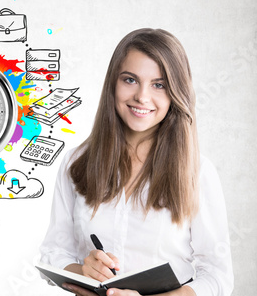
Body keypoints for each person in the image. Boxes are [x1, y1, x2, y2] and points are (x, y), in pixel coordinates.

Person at [39, 28, 234, 296]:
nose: (142, 97)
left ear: (175, 92)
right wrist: (82, 272)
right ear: (113, 84)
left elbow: (217, 277)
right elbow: (54, 253)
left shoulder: (197, 172)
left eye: (159, 84)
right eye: (130, 80)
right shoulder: (76, 162)